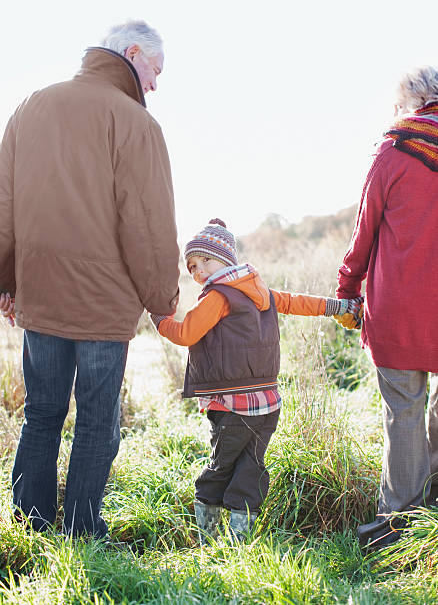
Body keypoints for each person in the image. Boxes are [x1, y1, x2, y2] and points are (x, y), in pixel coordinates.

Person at [0, 19, 180, 538]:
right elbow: (146, 223)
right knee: (98, 421)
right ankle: (81, 530)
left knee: (41, 414)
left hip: (41, 295)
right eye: (154, 70)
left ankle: (29, 525)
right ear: (131, 53)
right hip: (104, 306)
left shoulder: (28, 107)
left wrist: (7, 282)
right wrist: (161, 300)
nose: (154, 85)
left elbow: (5, 206)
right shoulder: (136, 124)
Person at [150, 218, 362, 544]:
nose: (198, 270)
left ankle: (207, 542)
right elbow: (296, 302)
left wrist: (158, 319)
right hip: (268, 405)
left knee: (219, 468)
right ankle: (239, 544)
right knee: (250, 469)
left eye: (205, 260)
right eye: (191, 266)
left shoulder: (218, 297)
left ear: (226, 260)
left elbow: (186, 333)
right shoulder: (260, 291)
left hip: (232, 407)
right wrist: (337, 306)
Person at [336, 66, 438, 550]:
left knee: (404, 415)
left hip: (400, 307)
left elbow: (365, 229)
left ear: (412, 102)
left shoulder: (394, 150)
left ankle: (399, 525)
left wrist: (348, 286)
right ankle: (430, 515)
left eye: (396, 105)